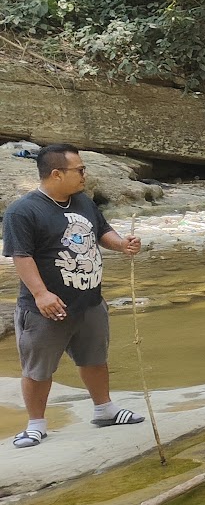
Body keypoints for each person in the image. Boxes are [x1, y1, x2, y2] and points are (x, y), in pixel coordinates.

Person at [3, 144, 146, 449]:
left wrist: (122, 245)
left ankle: (105, 410)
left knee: (94, 358)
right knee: (38, 367)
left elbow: (102, 231)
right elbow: (21, 256)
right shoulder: (23, 211)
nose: (84, 175)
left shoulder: (82, 201)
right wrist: (41, 294)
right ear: (56, 174)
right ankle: (36, 425)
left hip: (89, 300)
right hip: (47, 307)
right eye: (79, 170)